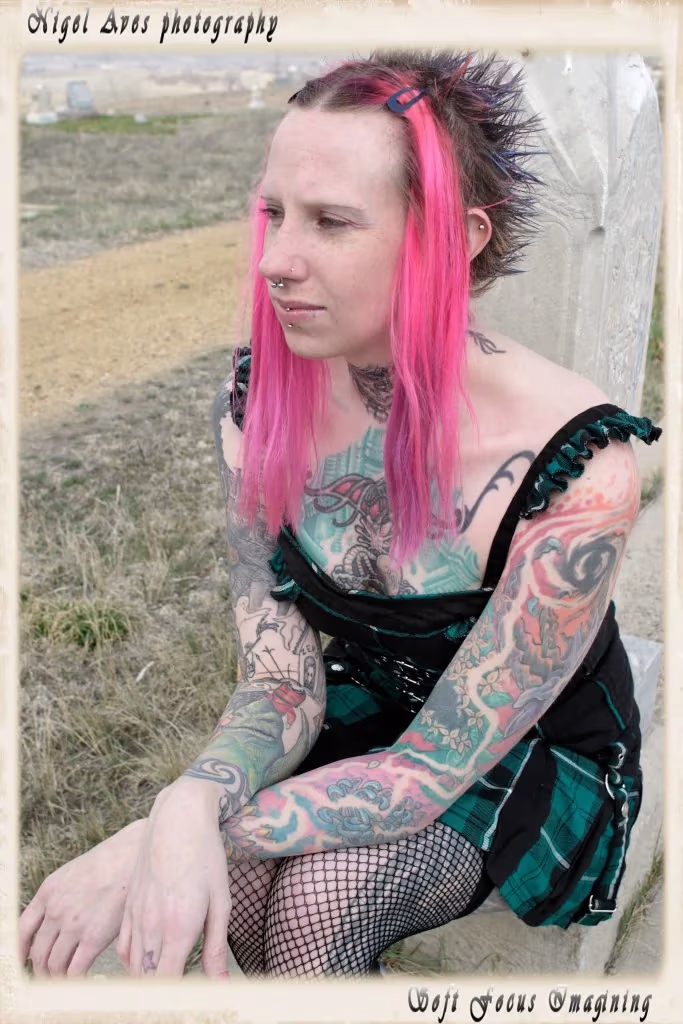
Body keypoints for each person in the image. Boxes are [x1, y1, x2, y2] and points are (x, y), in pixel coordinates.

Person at [19, 49, 662, 980]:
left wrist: (156, 836)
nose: (276, 261)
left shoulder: (576, 467)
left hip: (516, 742)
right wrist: (187, 804)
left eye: (330, 221)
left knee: (325, 894)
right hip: (370, 702)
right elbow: (281, 678)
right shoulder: (259, 404)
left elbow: (431, 768)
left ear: (453, 238)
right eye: (273, 213)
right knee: (243, 893)